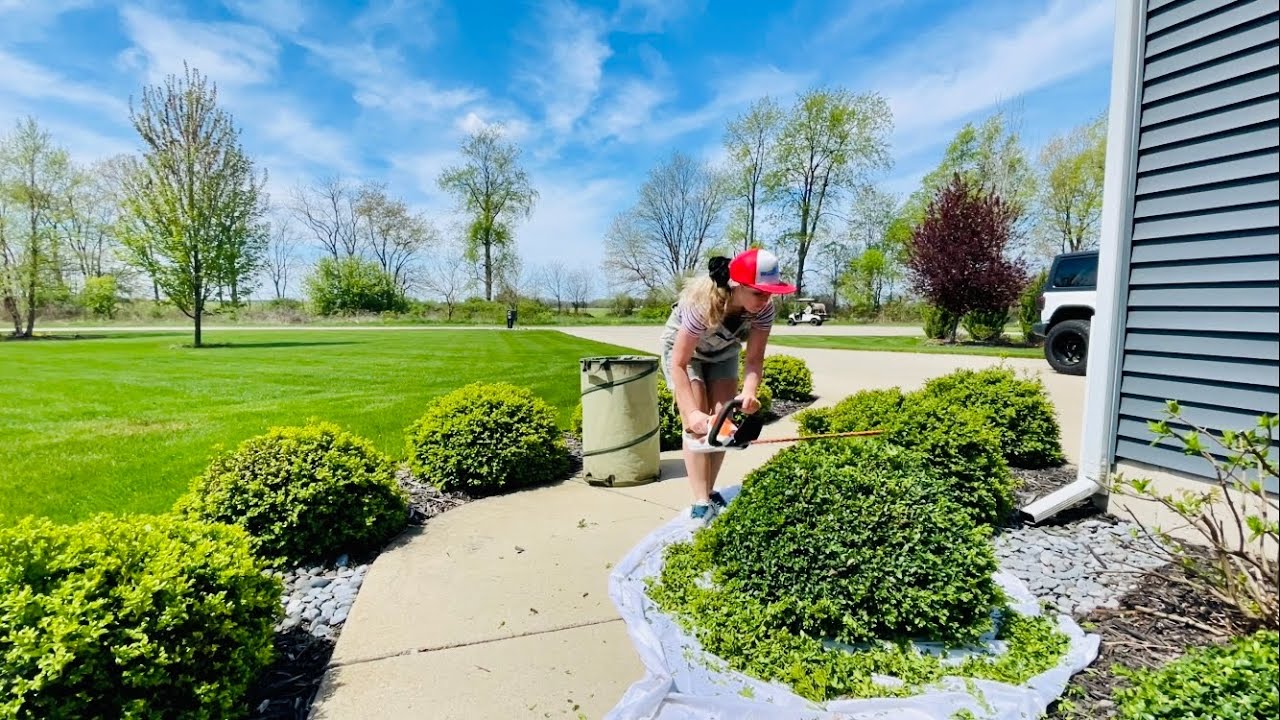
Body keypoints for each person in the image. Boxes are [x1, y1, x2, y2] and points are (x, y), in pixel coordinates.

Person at [659, 248, 796, 525]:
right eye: (758, 292)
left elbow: (755, 359)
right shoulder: (703, 303)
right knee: (697, 426)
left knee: (723, 423)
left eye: (770, 292)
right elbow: (679, 363)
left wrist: (749, 393)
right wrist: (692, 415)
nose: (766, 299)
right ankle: (700, 503)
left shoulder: (763, 310)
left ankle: (709, 492)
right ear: (737, 285)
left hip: (723, 352)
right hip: (685, 354)